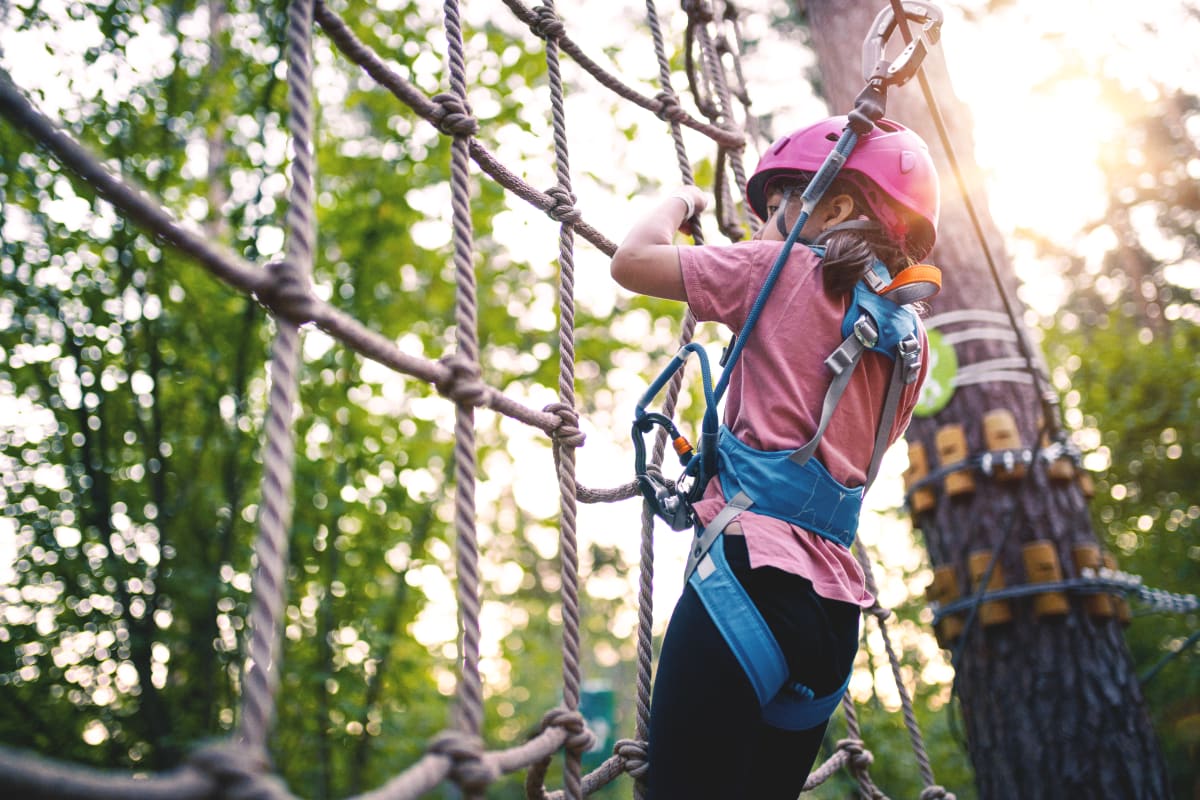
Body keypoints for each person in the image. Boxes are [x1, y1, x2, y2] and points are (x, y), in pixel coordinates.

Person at [609, 115, 940, 799]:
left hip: (748, 577)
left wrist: (683, 200)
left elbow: (632, 259)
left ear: (836, 206)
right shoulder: (912, 341)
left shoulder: (778, 268)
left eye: (771, 213)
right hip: (832, 621)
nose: (759, 231)